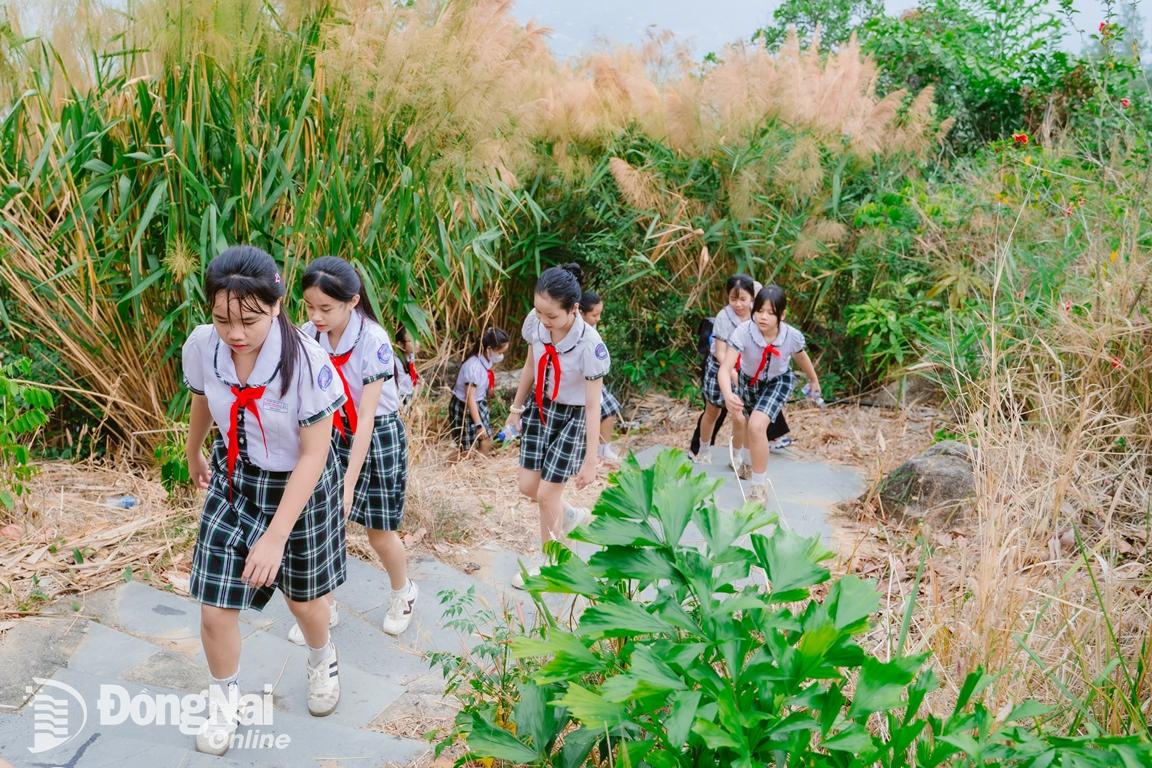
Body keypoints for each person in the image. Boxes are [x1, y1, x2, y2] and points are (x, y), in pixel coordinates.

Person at [182, 245, 346, 755]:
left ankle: (322, 657)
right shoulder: (203, 345)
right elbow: (202, 397)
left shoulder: (307, 362)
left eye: (249, 321)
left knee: (304, 602)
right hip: (235, 477)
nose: (235, 333)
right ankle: (224, 702)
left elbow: (315, 454)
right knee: (214, 608)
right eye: (222, 319)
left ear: (276, 306)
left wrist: (275, 538)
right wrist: (193, 451)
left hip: (298, 485)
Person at [292, 256, 418, 641]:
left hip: (375, 434)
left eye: (326, 308)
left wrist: (348, 483)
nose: (316, 316)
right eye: (309, 307)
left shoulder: (373, 340)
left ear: (353, 301)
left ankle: (403, 593)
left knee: (379, 533)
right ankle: (324, 605)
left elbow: (366, 417)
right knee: (324, 525)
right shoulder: (309, 335)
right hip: (329, 431)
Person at [506, 264, 608, 588]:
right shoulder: (536, 324)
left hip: (573, 417)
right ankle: (569, 515)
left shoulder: (590, 344)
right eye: (539, 311)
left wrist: (591, 460)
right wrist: (516, 409)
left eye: (551, 315)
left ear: (574, 309)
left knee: (547, 494)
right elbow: (530, 365)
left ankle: (550, 562)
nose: (543, 320)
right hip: (541, 407)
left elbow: (593, 406)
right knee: (528, 487)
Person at [717, 284, 821, 501]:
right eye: (759, 311)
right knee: (748, 423)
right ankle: (747, 463)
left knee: (757, 426)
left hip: (777, 381)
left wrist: (813, 379)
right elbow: (725, 368)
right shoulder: (743, 332)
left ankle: (758, 487)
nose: (763, 317)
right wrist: (728, 394)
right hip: (748, 381)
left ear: (782, 315)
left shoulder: (791, 336)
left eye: (770, 313)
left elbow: (801, 357)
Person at [695, 274, 756, 476]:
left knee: (740, 417)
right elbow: (720, 352)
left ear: (752, 298)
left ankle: (736, 456)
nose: (738, 304)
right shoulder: (724, 316)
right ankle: (704, 450)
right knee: (712, 411)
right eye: (733, 299)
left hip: (744, 370)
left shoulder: (757, 315)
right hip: (719, 367)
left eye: (743, 299)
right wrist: (731, 372)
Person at [449, 327, 510, 455]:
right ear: (489, 349)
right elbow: (469, 397)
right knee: (466, 449)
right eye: (500, 352)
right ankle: (455, 463)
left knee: (486, 439)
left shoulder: (485, 360)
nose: (501, 356)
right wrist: (478, 425)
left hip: (479, 402)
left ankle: (479, 464)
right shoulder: (473, 367)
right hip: (465, 407)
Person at [578, 290, 623, 464]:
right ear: (581, 313)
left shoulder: (592, 328)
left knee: (610, 408)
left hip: (594, 377)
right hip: (580, 380)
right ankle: (589, 454)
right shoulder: (574, 329)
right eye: (594, 315)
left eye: (599, 314)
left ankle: (604, 449)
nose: (598, 319)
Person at [393, 325, 419, 408]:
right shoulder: (395, 362)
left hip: (409, 397)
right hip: (400, 400)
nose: (417, 343)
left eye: (416, 338)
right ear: (400, 344)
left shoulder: (411, 355)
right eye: (411, 341)